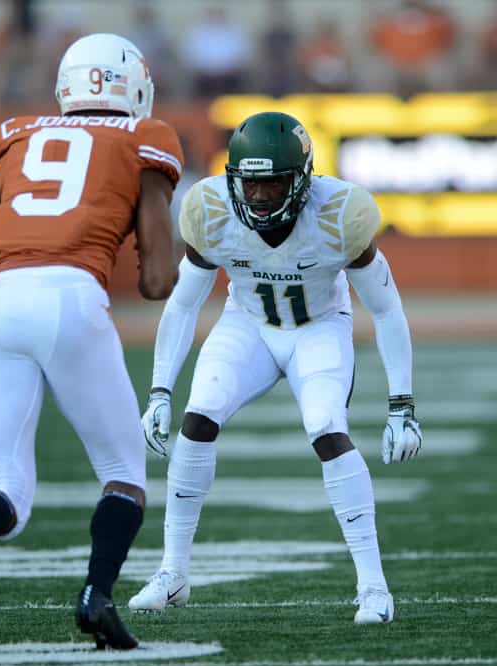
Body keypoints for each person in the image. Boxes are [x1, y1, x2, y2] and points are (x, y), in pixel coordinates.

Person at [129, 112, 423, 625]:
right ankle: (173, 574)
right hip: (248, 324)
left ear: (303, 178)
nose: (260, 196)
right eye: (251, 183)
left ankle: (374, 588)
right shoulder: (212, 210)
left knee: (327, 429)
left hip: (319, 326)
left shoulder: (338, 213)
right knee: (197, 419)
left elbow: (386, 308)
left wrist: (402, 404)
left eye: (273, 183)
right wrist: (159, 391)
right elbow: (182, 304)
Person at [0, 33, 183, 650]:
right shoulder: (145, 136)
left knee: (6, 492)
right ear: (134, 87)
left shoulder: (16, 133)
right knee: (124, 474)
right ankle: (96, 597)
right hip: (71, 293)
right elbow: (156, 280)